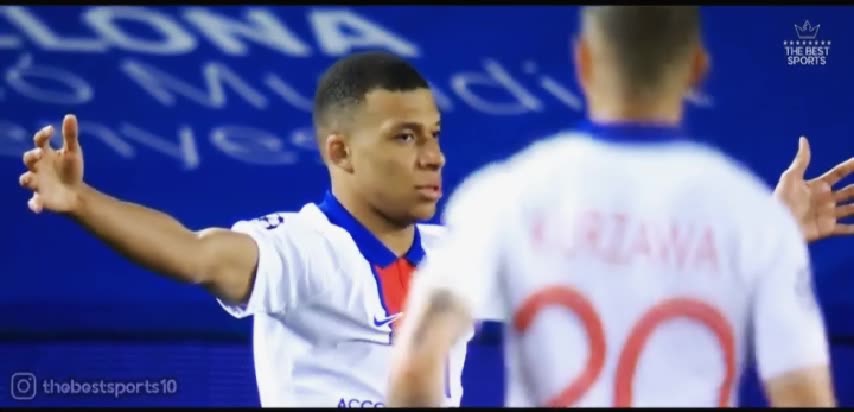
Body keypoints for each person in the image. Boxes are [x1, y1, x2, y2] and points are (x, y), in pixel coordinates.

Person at [387, 6, 849, 407]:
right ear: (697, 68)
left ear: (583, 60)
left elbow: (416, 364)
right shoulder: (752, 222)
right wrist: (772, 232)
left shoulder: (500, 197)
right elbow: (803, 397)